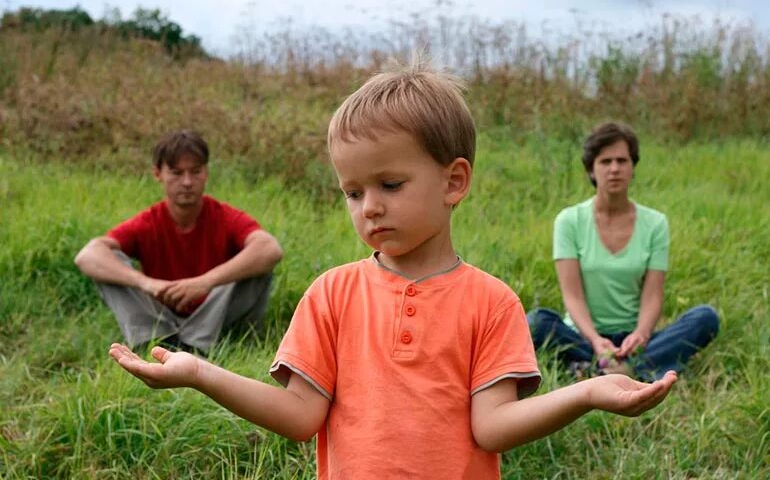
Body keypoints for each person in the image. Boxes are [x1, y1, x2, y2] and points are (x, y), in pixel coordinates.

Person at [108, 62, 677, 480]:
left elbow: (492, 428)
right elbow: (301, 416)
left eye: (390, 185)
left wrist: (587, 394)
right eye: (352, 192)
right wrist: (199, 375)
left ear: (454, 181)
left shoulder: (491, 302)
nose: (369, 207)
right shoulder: (333, 293)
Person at [528, 121, 719, 381]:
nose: (614, 169)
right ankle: (628, 367)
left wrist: (640, 334)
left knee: (705, 318)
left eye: (622, 160)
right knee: (535, 322)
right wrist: (596, 340)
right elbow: (572, 297)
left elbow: (653, 295)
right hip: (584, 336)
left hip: (633, 339)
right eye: (605, 162)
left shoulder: (655, 223)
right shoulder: (569, 221)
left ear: (633, 167)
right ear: (592, 170)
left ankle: (609, 368)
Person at [76, 130, 283, 354]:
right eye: (176, 173)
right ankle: (158, 340)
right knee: (109, 260)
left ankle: (199, 344)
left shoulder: (224, 216)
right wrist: (147, 283)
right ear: (158, 174)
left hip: (215, 317)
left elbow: (269, 248)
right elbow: (87, 256)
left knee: (257, 263)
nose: (187, 182)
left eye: (195, 172)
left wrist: (204, 282)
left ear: (206, 173)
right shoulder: (148, 222)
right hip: (161, 315)